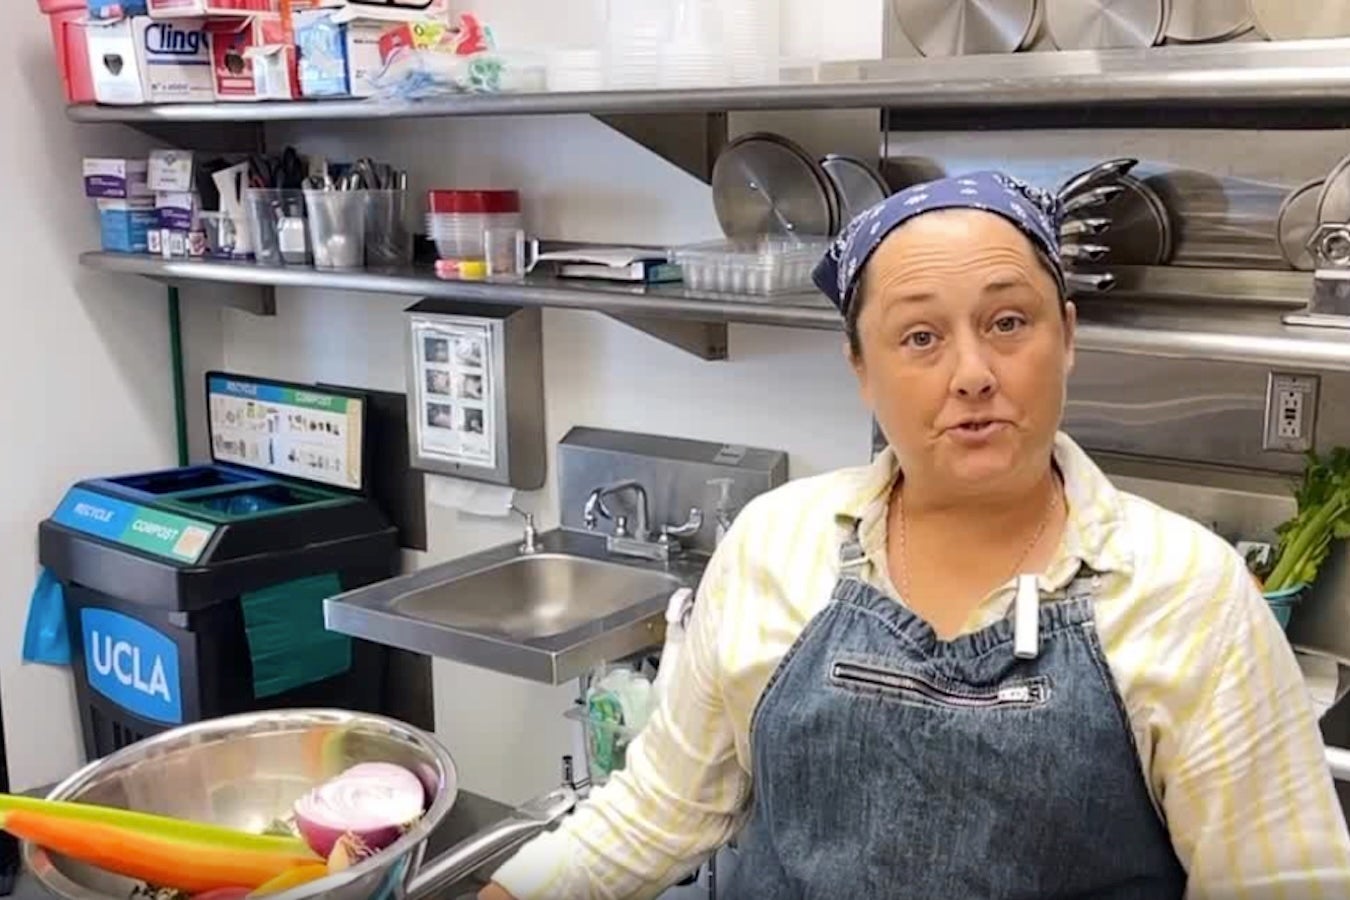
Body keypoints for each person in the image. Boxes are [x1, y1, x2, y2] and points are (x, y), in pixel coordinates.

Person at [480, 172, 1350, 899]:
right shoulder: (775, 546)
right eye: (920, 337)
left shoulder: (1184, 590)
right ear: (861, 367)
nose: (972, 373)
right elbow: (660, 810)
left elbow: (1284, 884)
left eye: (1009, 322)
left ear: (1069, 337)